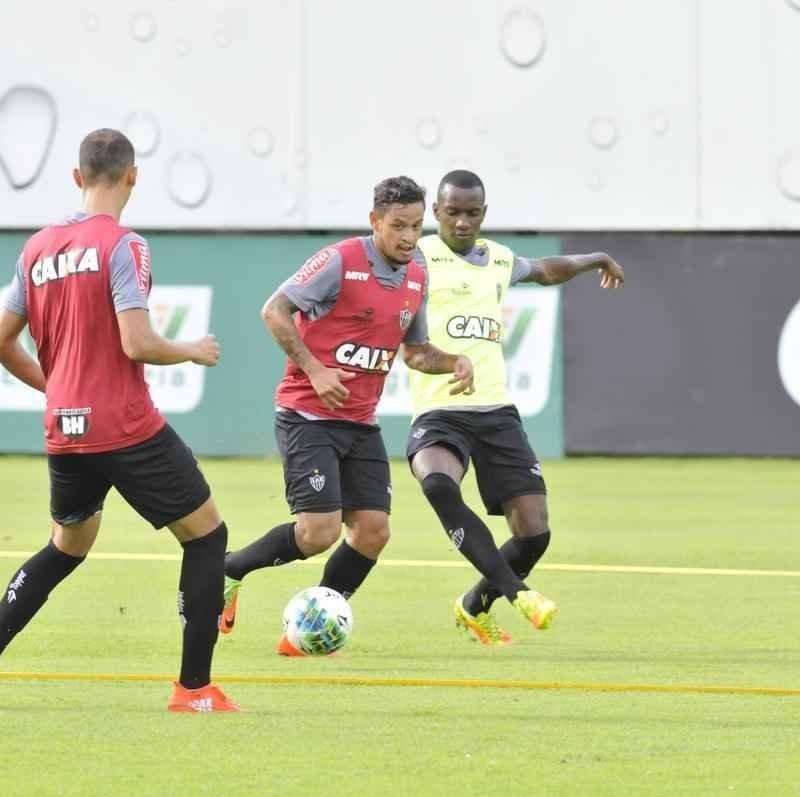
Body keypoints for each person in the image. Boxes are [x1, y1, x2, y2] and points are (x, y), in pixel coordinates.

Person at [0, 129, 239, 712]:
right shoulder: (125, 246)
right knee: (208, 536)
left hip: (65, 427)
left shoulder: (36, 249)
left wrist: (59, 389)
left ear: (77, 178)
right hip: (125, 425)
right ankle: (194, 689)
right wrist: (191, 349)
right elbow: (137, 342)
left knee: (67, 545)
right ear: (133, 177)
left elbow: (1, 343)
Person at [217, 176, 475, 655]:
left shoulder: (417, 273)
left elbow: (414, 353)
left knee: (374, 532)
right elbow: (274, 311)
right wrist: (314, 370)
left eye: (416, 226)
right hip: (307, 416)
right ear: (375, 220)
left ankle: (308, 631)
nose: (407, 237)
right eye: (397, 225)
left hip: (360, 423)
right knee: (319, 533)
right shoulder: (340, 261)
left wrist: (453, 361)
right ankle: (229, 570)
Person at [408, 169, 625, 646]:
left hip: (497, 413)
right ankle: (519, 594)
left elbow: (546, 270)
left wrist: (596, 258)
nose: (462, 222)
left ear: (483, 214)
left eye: (472, 213)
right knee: (439, 483)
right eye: (452, 213)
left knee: (534, 532)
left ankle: (474, 605)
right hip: (440, 411)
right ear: (436, 214)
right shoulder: (416, 258)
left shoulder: (499, 260)